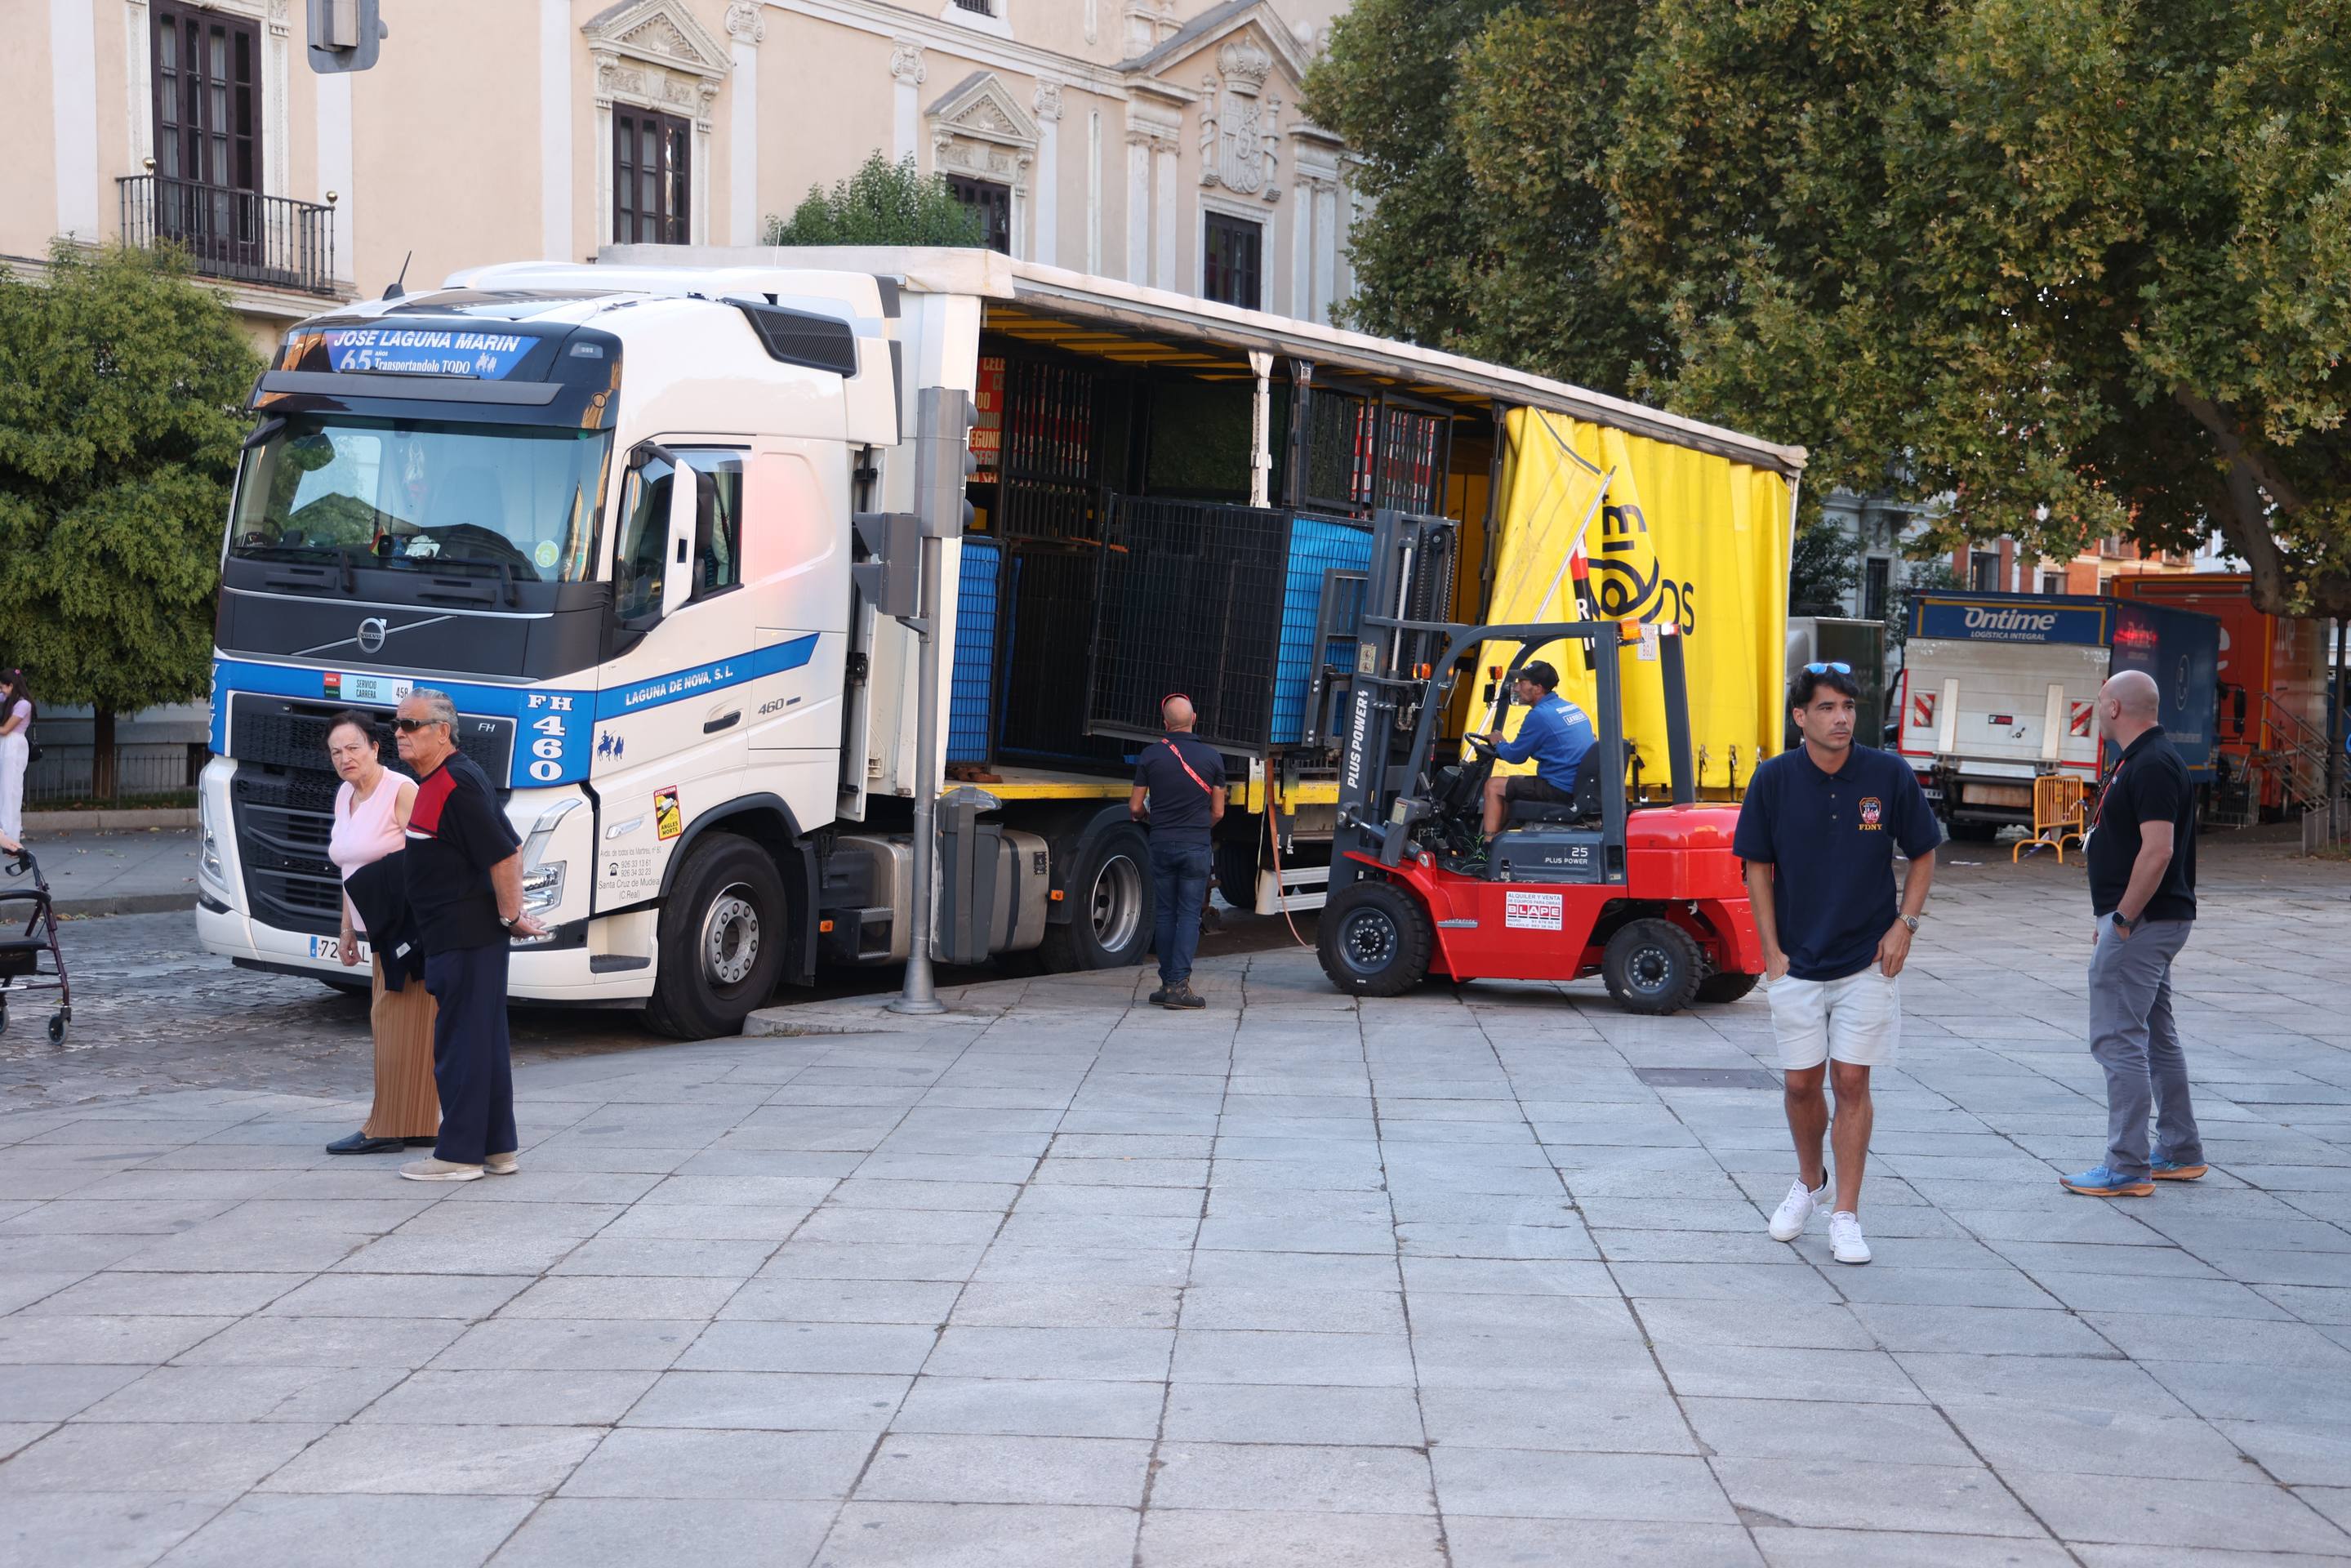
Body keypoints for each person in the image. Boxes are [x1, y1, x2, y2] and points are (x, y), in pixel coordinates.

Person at [1734, 662, 1940, 1265]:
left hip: (1864, 961)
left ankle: (1845, 1214)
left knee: (1851, 1081)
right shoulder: (1772, 779)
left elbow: (1924, 853)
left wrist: (1905, 925)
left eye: (1847, 706)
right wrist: (1770, 952)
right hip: (1795, 961)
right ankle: (1810, 1182)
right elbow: (1756, 868)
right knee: (1801, 1084)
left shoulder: (1887, 774)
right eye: (1826, 707)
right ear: (1800, 717)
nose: (1841, 717)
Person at [2061, 668, 2204, 1197]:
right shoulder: (2144, 759)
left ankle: (2126, 1164)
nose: (2098, 711)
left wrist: (2120, 919)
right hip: (2150, 921)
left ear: (2115, 707)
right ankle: (2179, 1149)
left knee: (2117, 1039)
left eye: (2100, 702)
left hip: (2142, 923)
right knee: (2156, 1036)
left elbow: (2158, 850)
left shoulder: (2151, 764)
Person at [393, 689, 545, 1182]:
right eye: (397, 724)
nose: (399, 733)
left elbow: (505, 853)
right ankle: (497, 1148)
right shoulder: (447, 777)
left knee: (461, 1044)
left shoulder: (455, 782)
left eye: (411, 725)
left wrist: (509, 916)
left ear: (442, 730)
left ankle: (457, 1154)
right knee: (483, 1043)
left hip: (465, 936)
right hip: (458, 935)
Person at [321, 713, 438, 1156]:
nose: (344, 758)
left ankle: (385, 1125)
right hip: (373, 928)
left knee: (395, 1024)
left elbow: (428, 855)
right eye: (336, 752)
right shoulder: (344, 796)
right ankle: (419, 1123)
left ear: (375, 747)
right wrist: (347, 926)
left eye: (352, 747)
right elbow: (348, 866)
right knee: (401, 1027)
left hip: (405, 928)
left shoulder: (400, 791)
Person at [1129, 694, 1226, 1010]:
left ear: (1165, 723)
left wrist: (1149, 817)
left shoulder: (1150, 756)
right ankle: (1179, 986)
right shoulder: (1213, 758)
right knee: (1188, 914)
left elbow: (1134, 807)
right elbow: (1218, 812)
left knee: (1166, 913)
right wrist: (1199, 826)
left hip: (1161, 842)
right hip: (1196, 844)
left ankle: (1166, 984)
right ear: (1194, 719)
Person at [1478, 661, 1596, 840]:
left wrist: (1498, 743)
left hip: (1560, 788)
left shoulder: (1540, 715)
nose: (1516, 688)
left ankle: (1486, 847)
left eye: (1522, 682)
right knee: (1511, 787)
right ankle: (1501, 837)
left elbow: (1515, 756)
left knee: (1493, 786)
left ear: (1538, 688)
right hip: (1576, 783)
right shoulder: (1569, 707)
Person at [0, 670, 33, 853]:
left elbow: (6, 729)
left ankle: (10, 837)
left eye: (3, 687)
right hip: (6, 744)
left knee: (10, 790)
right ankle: (6, 836)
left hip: (13, 744)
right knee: (4, 790)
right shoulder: (9, 699)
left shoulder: (23, 705)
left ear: (11, 686)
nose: (2, 691)